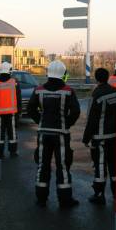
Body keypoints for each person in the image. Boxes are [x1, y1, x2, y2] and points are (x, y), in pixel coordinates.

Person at [27, 60, 80, 208]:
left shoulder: (38, 90)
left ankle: (41, 198)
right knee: (62, 166)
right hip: (61, 134)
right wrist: (66, 124)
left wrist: (41, 121)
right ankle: (65, 200)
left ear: (48, 73)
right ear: (63, 74)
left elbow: (31, 109)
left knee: (42, 165)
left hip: (43, 133)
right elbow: (75, 111)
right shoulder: (68, 91)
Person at [83, 67, 116, 204]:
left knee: (100, 166)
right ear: (108, 77)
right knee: (114, 166)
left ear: (96, 79)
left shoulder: (96, 95)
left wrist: (86, 138)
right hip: (114, 136)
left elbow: (92, 119)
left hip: (100, 138)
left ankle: (99, 194)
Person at [0, 62, 22, 159]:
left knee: (0, 133)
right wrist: (19, 111)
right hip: (12, 113)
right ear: (9, 71)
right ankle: (13, 152)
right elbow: (18, 98)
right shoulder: (14, 82)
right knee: (12, 132)